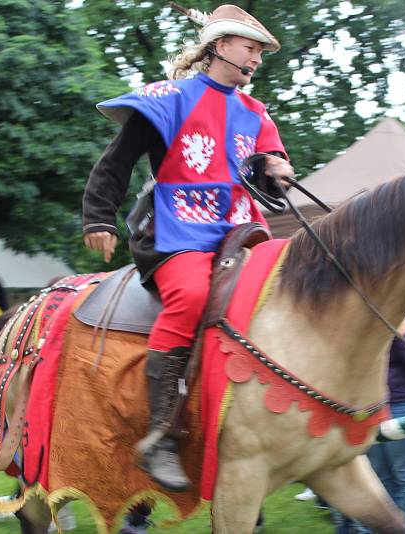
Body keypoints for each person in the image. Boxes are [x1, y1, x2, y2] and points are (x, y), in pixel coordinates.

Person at [81, 4, 294, 491]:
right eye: (250, 48)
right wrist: (98, 215)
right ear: (220, 47)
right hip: (178, 230)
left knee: (288, 288)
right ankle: (161, 435)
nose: (257, 58)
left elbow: (270, 170)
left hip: (242, 229)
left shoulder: (256, 113)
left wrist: (278, 172)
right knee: (192, 296)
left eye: (261, 50)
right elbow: (116, 162)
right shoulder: (170, 98)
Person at [366, 309, 405, 534]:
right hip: (371, 407)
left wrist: (403, 334)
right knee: (379, 477)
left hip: (402, 405)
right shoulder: (375, 313)